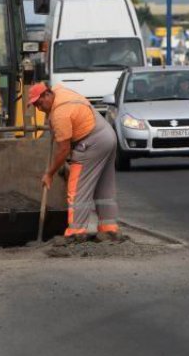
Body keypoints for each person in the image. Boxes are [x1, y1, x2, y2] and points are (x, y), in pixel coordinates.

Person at [29, 82, 121, 241]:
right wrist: (48, 115)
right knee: (104, 187)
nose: (39, 108)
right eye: (36, 105)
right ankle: (108, 229)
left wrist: (49, 173)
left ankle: (76, 232)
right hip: (108, 135)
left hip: (91, 142)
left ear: (47, 94)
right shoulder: (59, 91)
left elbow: (63, 150)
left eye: (40, 103)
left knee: (78, 187)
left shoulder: (60, 114)